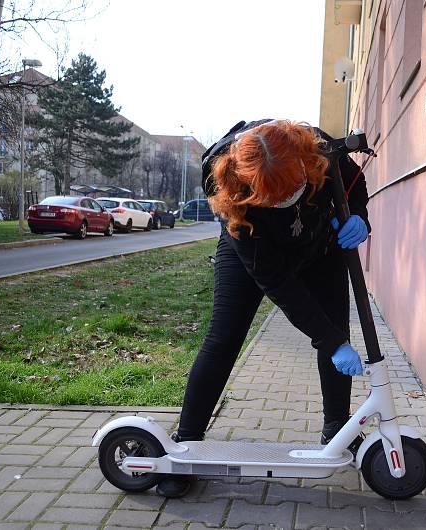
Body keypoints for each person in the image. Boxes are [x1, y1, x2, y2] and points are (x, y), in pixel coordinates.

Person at [156, 119, 371, 497]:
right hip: (252, 249)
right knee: (224, 337)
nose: (281, 201)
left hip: (320, 245)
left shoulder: (320, 149)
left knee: (337, 324)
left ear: (304, 164)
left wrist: (358, 216)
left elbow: (355, 184)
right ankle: (186, 445)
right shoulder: (225, 185)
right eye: (270, 197)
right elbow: (278, 284)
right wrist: (329, 341)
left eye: (289, 189)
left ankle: (337, 426)